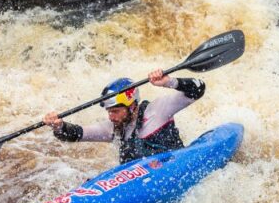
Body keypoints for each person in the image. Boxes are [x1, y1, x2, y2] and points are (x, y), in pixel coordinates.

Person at [43, 69, 205, 163]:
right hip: (140, 182)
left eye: (115, 111)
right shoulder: (113, 129)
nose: (111, 117)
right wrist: (58, 126)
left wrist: (170, 82)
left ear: (132, 105)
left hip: (173, 165)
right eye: (108, 112)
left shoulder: (158, 110)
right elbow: (76, 134)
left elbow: (198, 89)